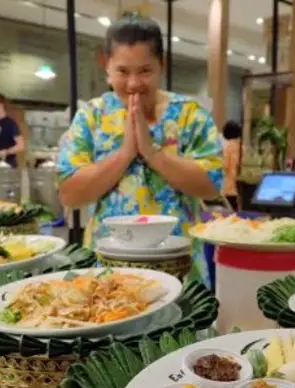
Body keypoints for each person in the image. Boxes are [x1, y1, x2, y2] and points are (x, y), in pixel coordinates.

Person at [57, 14, 223, 285]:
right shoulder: (92, 116)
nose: (133, 83)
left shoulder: (190, 115)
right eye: (122, 71)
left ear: (161, 65)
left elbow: (211, 185)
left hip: (179, 264)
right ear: (107, 66)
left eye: (145, 71)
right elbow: (69, 194)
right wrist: (125, 154)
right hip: (107, 268)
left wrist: (151, 152)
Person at [221, 120, 242, 210]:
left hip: (229, 187)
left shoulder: (228, 146)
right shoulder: (241, 146)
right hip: (240, 187)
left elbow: (224, 165)